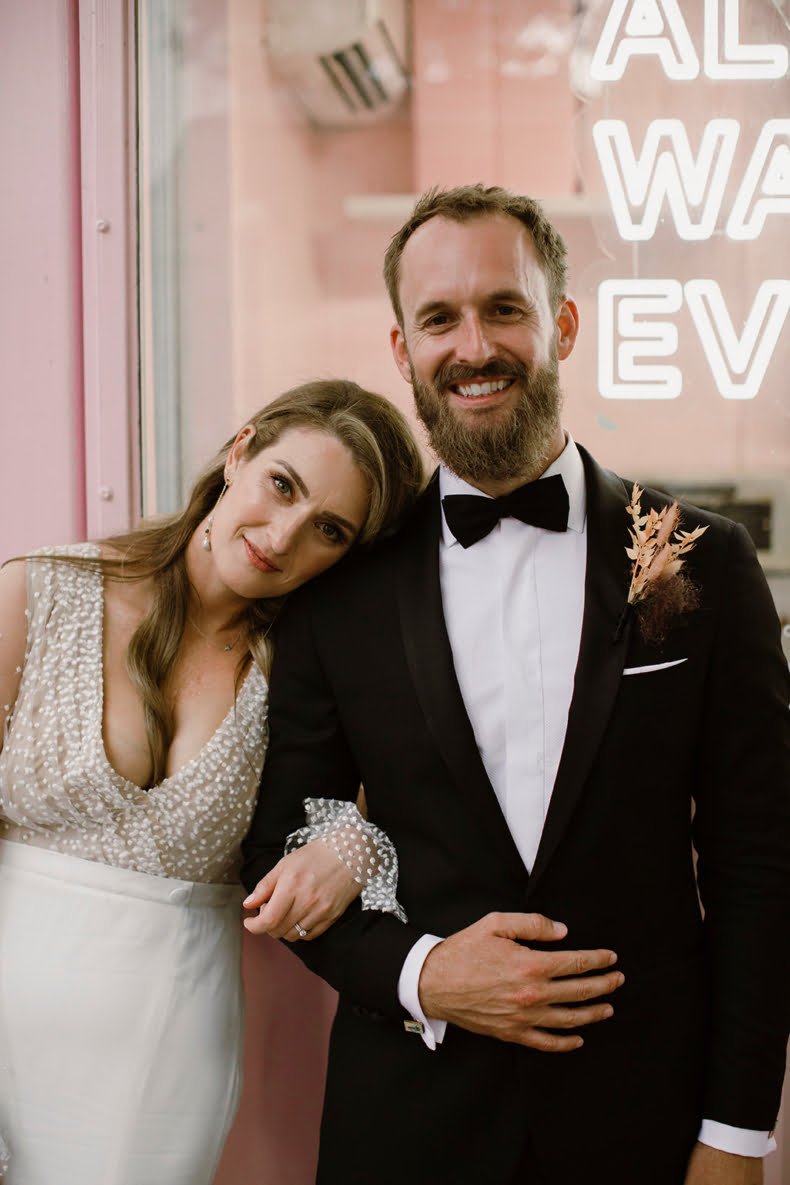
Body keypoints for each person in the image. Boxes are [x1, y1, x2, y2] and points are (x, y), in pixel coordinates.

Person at [241, 186, 790, 1185]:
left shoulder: (706, 563)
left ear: (563, 324)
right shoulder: (337, 590)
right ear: (403, 349)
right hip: (406, 1129)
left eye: (504, 308)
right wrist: (424, 973)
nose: (474, 347)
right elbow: (280, 841)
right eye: (439, 319)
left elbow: (760, 862)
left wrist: (736, 1133)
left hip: (647, 1125)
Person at [0, 379, 424, 1185]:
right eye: (282, 485)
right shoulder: (37, 590)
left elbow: (402, 814)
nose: (283, 535)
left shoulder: (305, 677)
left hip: (165, 1060)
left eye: (328, 529)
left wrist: (354, 846)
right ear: (241, 452)